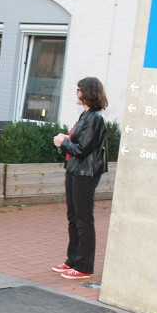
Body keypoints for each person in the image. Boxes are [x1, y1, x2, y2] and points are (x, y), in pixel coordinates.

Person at [51, 77, 108, 280]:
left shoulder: (95, 118)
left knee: (83, 219)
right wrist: (67, 139)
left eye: (79, 89)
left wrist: (61, 143)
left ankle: (84, 266)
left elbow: (83, 149)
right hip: (75, 170)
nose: (76, 93)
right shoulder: (86, 116)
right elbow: (79, 142)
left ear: (88, 93)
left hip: (86, 173)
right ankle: (72, 260)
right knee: (73, 217)